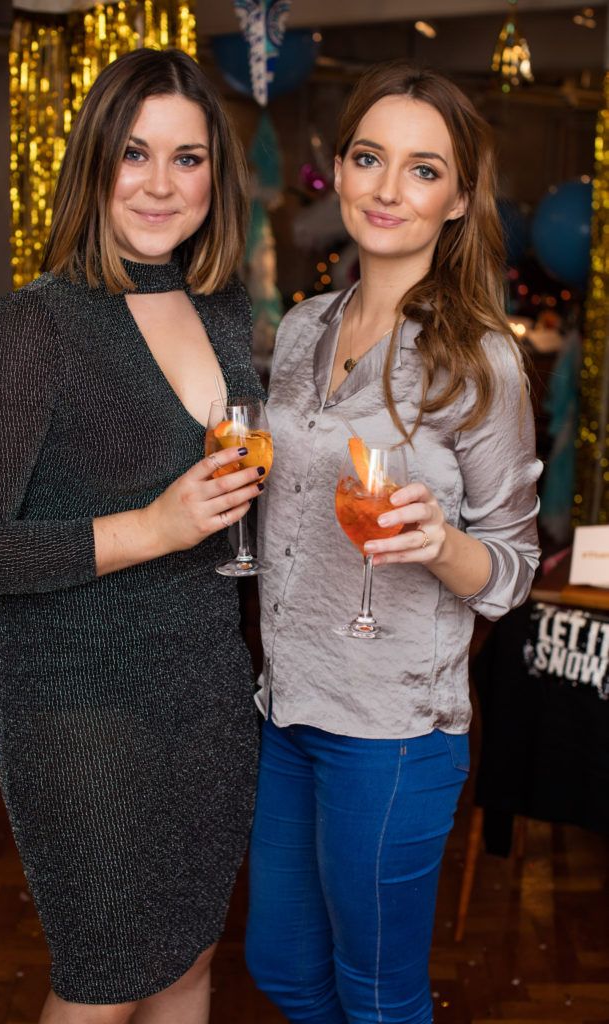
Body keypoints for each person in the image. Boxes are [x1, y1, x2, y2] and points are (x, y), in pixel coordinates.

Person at [0, 48, 266, 1024]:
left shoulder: (221, 309)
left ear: (216, 174)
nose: (162, 183)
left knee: (190, 962)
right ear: (94, 164)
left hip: (207, 683)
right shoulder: (31, 329)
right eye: (134, 153)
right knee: (106, 977)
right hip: (78, 699)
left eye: (187, 157)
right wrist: (152, 525)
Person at [245, 61, 542, 1024]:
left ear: (457, 199)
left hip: (393, 728)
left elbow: (513, 564)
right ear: (341, 167)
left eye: (423, 169)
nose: (386, 188)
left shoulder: (478, 356)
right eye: (370, 158)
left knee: (377, 996)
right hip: (286, 705)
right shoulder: (299, 330)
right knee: (285, 968)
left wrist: (441, 543)